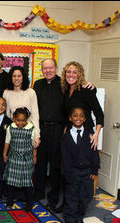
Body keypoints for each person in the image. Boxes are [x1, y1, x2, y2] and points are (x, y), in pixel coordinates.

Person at [33, 58, 95, 212]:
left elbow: (80, 89)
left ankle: (53, 198)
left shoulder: (64, 84)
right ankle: (38, 193)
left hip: (59, 129)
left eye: (51, 68)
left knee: (55, 165)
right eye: (45, 68)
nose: (48, 71)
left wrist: (92, 86)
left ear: (56, 68)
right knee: (40, 163)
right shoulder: (37, 84)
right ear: (42, 70)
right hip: (41, 128)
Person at [61, 106, 100, 223]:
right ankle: (70, 217)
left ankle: (79, 217)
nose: (78, 118)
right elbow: (65, 157)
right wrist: (68, 173)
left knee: (85, 196)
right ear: (70, 118)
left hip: (87, 171)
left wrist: (95, 169)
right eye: (75, 116)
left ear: (84, 119)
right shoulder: (66, 137)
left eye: (81, 116)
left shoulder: (90, 135)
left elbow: (94, 153)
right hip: (73, 171)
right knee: (72, 195)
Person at [61, 61, 104, 151]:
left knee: (84, 162)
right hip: (70, 132)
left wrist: (96, 134)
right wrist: (66, 127)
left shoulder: (86, 89)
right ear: (65, 74)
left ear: (79, 75)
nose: (71, 75)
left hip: (85, 132)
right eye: (68, 72)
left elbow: (99, 113)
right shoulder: (66, 90)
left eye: (74, 72)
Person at [3, 107, 37, 212]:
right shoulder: (10, 127)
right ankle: (9, 201)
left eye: (23, 120)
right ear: (14, 118)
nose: (20, 123)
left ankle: (30, 203)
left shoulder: (31, 128)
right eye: (18, 120)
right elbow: (7, 141)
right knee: (12, 181)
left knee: (27, 182)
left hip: (27, 159)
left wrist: (34, 156)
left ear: (27, 119)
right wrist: (5, 154)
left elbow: (34, 144)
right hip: (14, 158)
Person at [3, 66, 40, 148]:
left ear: (23, 77)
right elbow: (6, 114)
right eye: (14, 76)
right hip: (13, 132)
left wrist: (37, 135)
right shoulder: (6, 93)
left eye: (19, 76)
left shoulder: (31, 92)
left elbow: (35, 115)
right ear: (11, 78)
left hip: (28, 132)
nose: (16, 78)